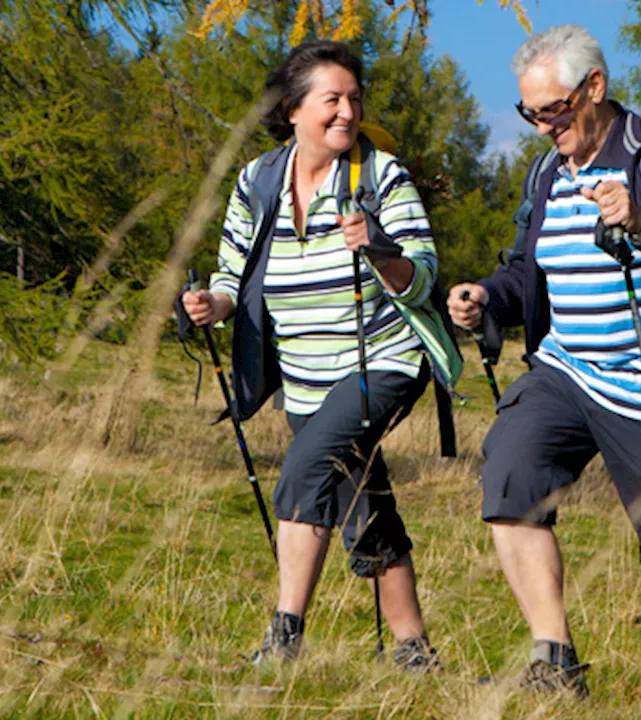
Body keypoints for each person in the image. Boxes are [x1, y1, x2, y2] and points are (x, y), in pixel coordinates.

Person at [447, 24, 641, 713]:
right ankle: (554, 661)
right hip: (566, 371)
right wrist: (487, 296)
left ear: (595, 89)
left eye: (551, 110)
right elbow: (529, 271)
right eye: (528, 113)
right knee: (510, 474)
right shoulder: (548, 172)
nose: (540, 127)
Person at [182, 40, 444, 670]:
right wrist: (211, 306)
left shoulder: (382, 177)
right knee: (362, 502)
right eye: (333, 99)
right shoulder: (259, 179)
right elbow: (232, 269)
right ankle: (413, 651)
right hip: (303, 378)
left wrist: (380, 250)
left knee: (306, 465)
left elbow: (425, 275)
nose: (347, 112)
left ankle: (285, 636)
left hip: (382, 363)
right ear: (294, 109)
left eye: (354, 99)